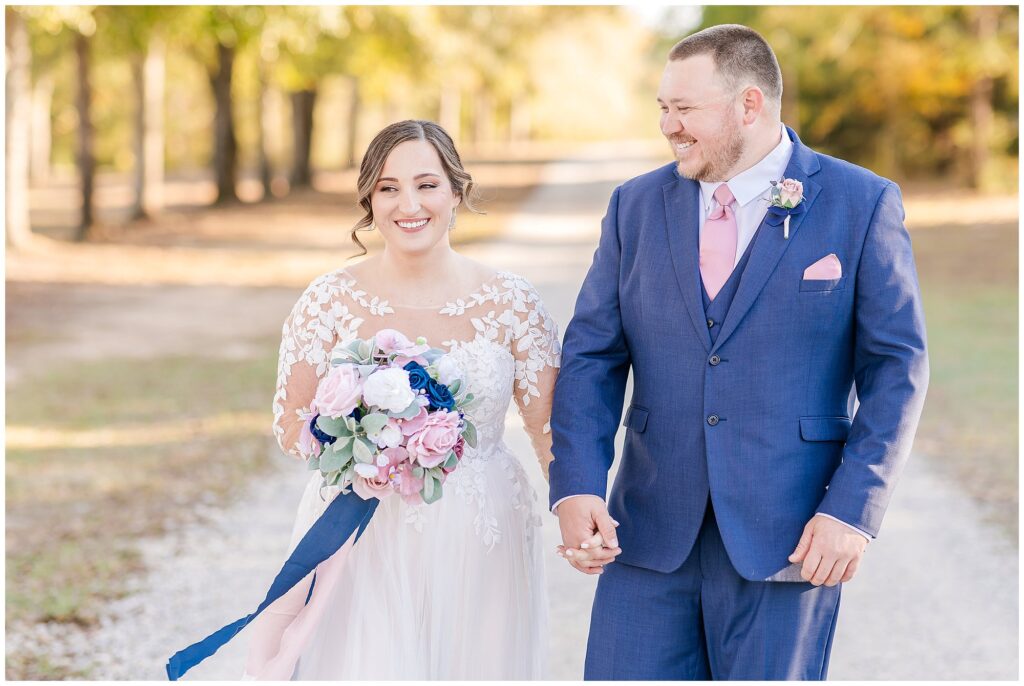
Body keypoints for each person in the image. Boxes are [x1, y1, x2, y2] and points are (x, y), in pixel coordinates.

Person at [548, 24, 929, 680]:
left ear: (749, 105)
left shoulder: (860, 203)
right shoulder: (634, 206)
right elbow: (591, 354)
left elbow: (897, 369)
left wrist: (853, 511)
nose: (668, 126)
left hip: (788, 538)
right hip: (648, 534)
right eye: (662, 108)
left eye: (684, 109)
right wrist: (576, 484)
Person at [244, 120, 560, 679]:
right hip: (361, 527)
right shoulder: (329, 300)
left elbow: (550, 430)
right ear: (369, 197)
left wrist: (579, 512)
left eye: (427, 184)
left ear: (456, 190)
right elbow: (292, 426)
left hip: (481, 529)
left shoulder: (511, 302)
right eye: (388, 187)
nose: (408, 203)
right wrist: (366, 436)